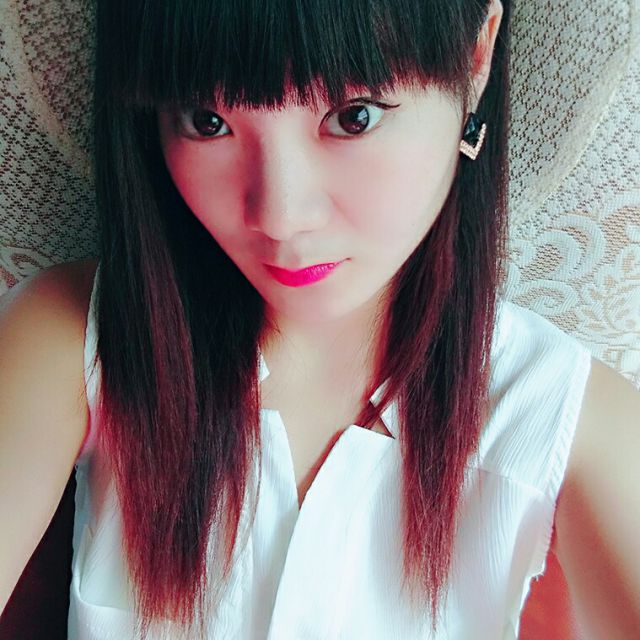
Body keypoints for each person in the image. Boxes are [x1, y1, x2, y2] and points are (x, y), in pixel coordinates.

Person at [0, 0, 638, 638]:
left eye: (354, 117)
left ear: (475, 58)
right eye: (206, 121)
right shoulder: (74, 338)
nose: (280, 216)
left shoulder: (567, 417)